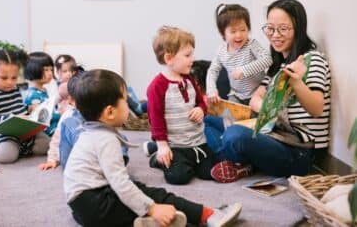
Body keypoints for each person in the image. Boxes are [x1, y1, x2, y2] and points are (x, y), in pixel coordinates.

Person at [64, 69, 242, 227]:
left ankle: (139, 221)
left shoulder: (89, 133)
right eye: (125, 101)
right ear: (110, 112)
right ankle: (208, 216)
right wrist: (153, 208)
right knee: (156, 197)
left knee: (138, 190)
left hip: (82, 208)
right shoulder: (105, 140)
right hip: (98, 204)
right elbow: (121, 185)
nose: (129, 106)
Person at [208, 0, 331, 183]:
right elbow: (254, 99)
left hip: (299, 151)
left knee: (234, 135)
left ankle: (232, 159)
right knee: (206, 119)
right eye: (270, 28)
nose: (275, 35)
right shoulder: (278, 64)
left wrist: (296, 83)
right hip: (272, 133)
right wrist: (271, 108)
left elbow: (317, 108)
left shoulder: (312, 60)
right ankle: (239, 162)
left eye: (283, 28)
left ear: (299, 28)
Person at [145, 26, 218, 185]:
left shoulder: (189, 79)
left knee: (210, 172)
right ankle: (158, 157)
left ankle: (187, 162)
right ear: (169, 58)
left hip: (198, 142)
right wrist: (163, 146)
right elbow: (155, 119)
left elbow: (201, 102)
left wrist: (201, 109)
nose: (192, 59)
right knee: (178, 177)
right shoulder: (157, 86)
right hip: (175, 146)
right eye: (187, 55)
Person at [0, 42, 50, 163]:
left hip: (24, 132)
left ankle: (21, 149)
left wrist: (29, 109)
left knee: (49, 145)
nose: (10, 82)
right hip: (6, 134)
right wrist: (12, 118)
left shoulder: (14, 89)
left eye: (14, 78)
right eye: (4, 78)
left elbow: (18, 108)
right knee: (7, 157)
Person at [206, 4, 272, 106]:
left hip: (258, 93)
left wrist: (244, 70)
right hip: (236, 95)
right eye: (233, 31)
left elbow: (267, 59)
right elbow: (212, 71)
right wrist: (211, 90)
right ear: (223, 33)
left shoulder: (251, 44)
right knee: (229, 118)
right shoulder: (221, 51)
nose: (239, 35)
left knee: (256, 118)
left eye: (243, 30)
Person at [23, 51, 60, 136]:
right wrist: (60, 114)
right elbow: (43, 117)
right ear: (33, 70)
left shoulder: (43, 90)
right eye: (46, 70)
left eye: (51, 69)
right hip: (45, 131)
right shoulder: (33, 95)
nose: (50, 73)